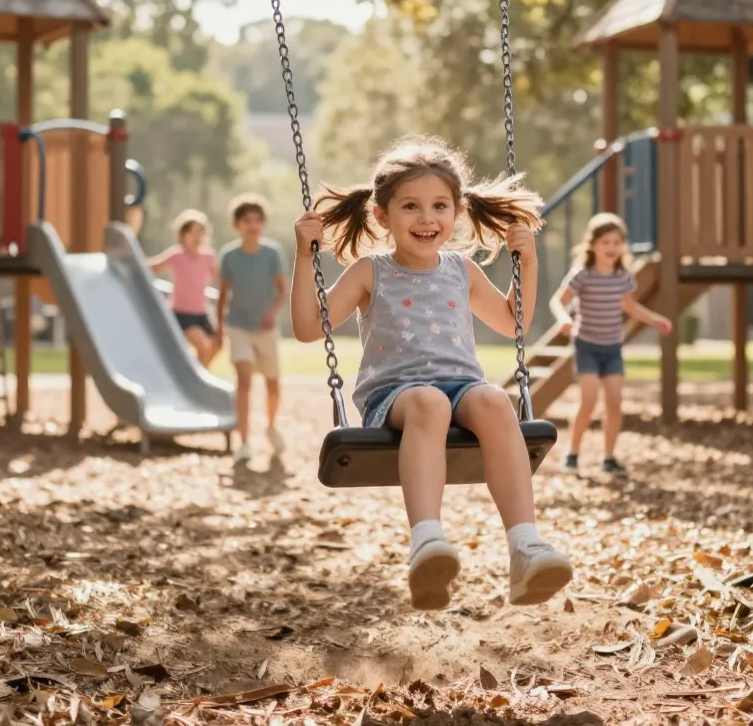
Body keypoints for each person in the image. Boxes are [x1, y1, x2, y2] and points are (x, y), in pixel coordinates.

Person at [291, 135, 573, 612]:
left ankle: (525, 549)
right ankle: (427, 544)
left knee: (493, 400)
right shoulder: (369, 271)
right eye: (411, 207)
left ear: (457, 212)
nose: (427, 218)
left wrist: (527, 260)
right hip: (396, 397)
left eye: (440, 206)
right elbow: (306, 328)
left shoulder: (461, 270)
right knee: (429, 402)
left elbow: (513, 323)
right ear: (382, 215)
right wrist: (304, 256)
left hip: (461, 388)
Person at [549, 212, 672, 479]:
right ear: (592, 245)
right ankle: (572, 453)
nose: (612, 248)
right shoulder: (582, 274)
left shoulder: (622, 277)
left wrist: (655, 319)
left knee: (615, 403)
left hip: (612, 348)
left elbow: (629, 306)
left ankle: (609, 457)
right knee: (589, 401)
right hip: (587, 346)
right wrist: (562, 318)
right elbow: (558, 300)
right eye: (606, 242)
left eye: (617, 242)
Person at [217, 193, 288, 463]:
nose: (253, 225)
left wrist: (271, 314)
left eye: (258, 220)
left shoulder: (272, 253)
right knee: (244, 381)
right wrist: (218, 328)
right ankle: (244, 441)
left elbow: (282, 291)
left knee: (273, 384)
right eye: (247, 220)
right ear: (237, 224)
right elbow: (222, 296)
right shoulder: (229, 256)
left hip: (266, 328)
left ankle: (271, 426)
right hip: (238, 326)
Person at [147, 209, 220, 367]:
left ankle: (197, 374)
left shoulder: (208, 256)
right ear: (183, 235)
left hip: (201, 312)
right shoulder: (176, 256)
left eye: (201, 232)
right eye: (193, 232)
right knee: (202, 346)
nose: (197, 237)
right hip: (181, 313)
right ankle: (197, 378)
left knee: (217, 344)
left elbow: (219, 278)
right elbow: (153, 267)